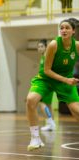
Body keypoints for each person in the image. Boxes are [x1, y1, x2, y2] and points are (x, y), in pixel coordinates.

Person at [26, 18, 79, 151]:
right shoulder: (54, 45)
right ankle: (35, 138)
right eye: (62, 28)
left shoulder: (77, 46)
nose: (64, 30)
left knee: (77, 111)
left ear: (73, 31)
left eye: (67, 28)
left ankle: (49, 123)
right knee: (31, 100)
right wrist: (67, 80)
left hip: (65, 80)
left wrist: (67, 80)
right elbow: (47, 70)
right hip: (46, 79)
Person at [33, 39, 56, 131]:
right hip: (48, 82)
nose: (39, 48)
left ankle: (50, 122)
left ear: (46, 47)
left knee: (41, 102)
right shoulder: (43, 56)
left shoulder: (47, 56)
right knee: (48, 104)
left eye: (41, 46)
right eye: (38, 47)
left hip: (47, 83)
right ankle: (51, 123)